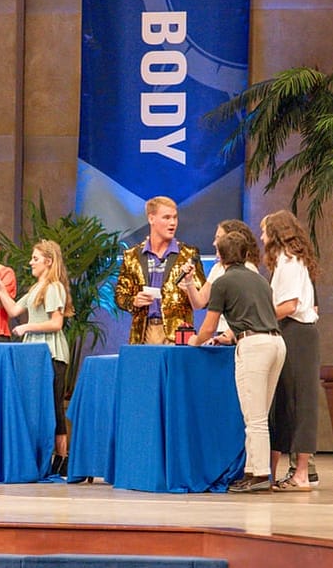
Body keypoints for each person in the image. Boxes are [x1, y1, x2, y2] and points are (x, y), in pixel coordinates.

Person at [187, 229, 285, 493]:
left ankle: (260, 474)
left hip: (253, 346)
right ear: (244, 254)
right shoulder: (260, 280)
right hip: (277, 343)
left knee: (254, 416)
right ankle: (253, 470)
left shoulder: (222, 282)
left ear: (220, 257)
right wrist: (229, 335)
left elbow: (208, 327)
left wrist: (195, 341)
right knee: (260, 413)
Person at [0, 239, 74, 474]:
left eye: (35, 259)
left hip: (51, 352)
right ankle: (46, 455)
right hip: (34, 354)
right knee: (39, 404)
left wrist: (27, 327)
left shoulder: (53, 287)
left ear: (48, 262)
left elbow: (56, 323)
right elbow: (14, 310)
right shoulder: (36, 288)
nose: (31, 263)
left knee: (54, 404)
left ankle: (62, 457)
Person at [261, 209, 321, 491]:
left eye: (264, 232)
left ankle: (301, 474)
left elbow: (289, 305)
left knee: (300, 401)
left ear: (275, 234)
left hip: (297, 334)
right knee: (284, 401)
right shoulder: (288, 261)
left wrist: (259, 317)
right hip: (291, 332)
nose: (261, 237)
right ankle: (276, 473)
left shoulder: (289, 261)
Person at [114, 196, 206, 344]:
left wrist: (189, 289)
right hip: (143, 334)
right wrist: (134, 301)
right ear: (151, 219)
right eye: (167, 218)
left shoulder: (188, 255)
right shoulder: (132, 256)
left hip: (177, 334)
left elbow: (204, 298)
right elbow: (120, 296)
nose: (173, 223)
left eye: (175, 217)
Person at [180, 218, 261, 342]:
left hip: (240, 335)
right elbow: (199, 302)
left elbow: (250, 312)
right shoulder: (217, 269)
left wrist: (228, 334)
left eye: (218, 238)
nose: (214, 243)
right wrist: (189, 281)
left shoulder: (248, 269)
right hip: (220, 332)